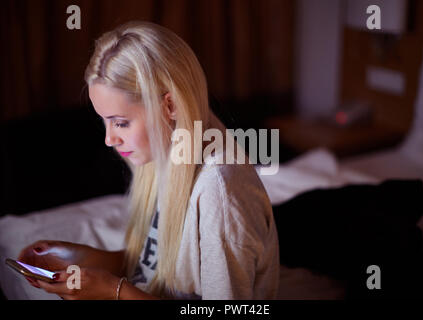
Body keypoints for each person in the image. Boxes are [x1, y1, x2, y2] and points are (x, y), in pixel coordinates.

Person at [17, 21, 279, 300]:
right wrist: (78, 259)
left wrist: (112, 291)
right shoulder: (162, 153)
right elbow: (151, 267)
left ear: (170, 106)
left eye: (121, 123)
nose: (109, 139)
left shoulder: (220, 192)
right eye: (105, 122)